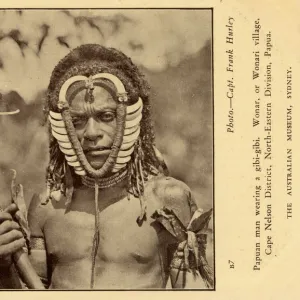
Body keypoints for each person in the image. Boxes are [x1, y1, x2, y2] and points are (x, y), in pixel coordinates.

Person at [0, 44, 213, 289]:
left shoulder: (168, 199)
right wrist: (5, 268)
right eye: (78, 121)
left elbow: (194, 291)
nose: (91, 133)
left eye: (106, 117)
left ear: (132, 118)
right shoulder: (47, 207)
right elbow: (30, 289)